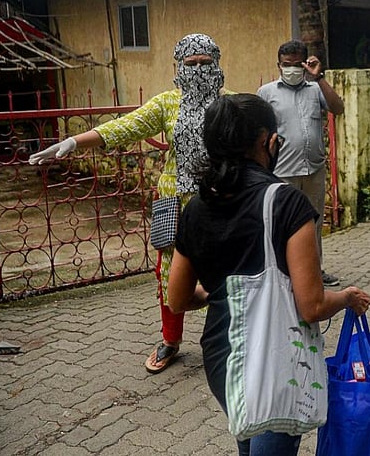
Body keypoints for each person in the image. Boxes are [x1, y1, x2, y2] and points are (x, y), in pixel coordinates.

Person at [165, 93, 370, 456]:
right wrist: (348, 298)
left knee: (249, 436)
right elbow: (312, 305)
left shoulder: (195, 208)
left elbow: (177, 299)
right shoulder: (286, 202)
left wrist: (217, 295)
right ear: (268, 141)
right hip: (275, 359)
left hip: (221, 356)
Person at [28, 33, 228, 374]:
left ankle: (225, 338)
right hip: (175, 202)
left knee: (226, 269)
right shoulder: (168, 103)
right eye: (190, 63)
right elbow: (125, 127)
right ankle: (170, 340)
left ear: (217, 65)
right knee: (168, 274)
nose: (197, 70)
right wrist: (74, 141)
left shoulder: (231, 104)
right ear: (178, 66)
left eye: (204, 63)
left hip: (221, 201)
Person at [257, 40, 344, 288]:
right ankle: (285, 275)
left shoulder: (315, 89)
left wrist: (320, 78)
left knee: (314, 224)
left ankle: (315, 272)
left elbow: (338, 108)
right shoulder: (267, 92)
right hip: (282, 171)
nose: (292, 69)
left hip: (313, 169)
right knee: (284, 224)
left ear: (306, 64)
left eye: (298, 65)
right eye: (287, 65)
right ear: (279, 65)